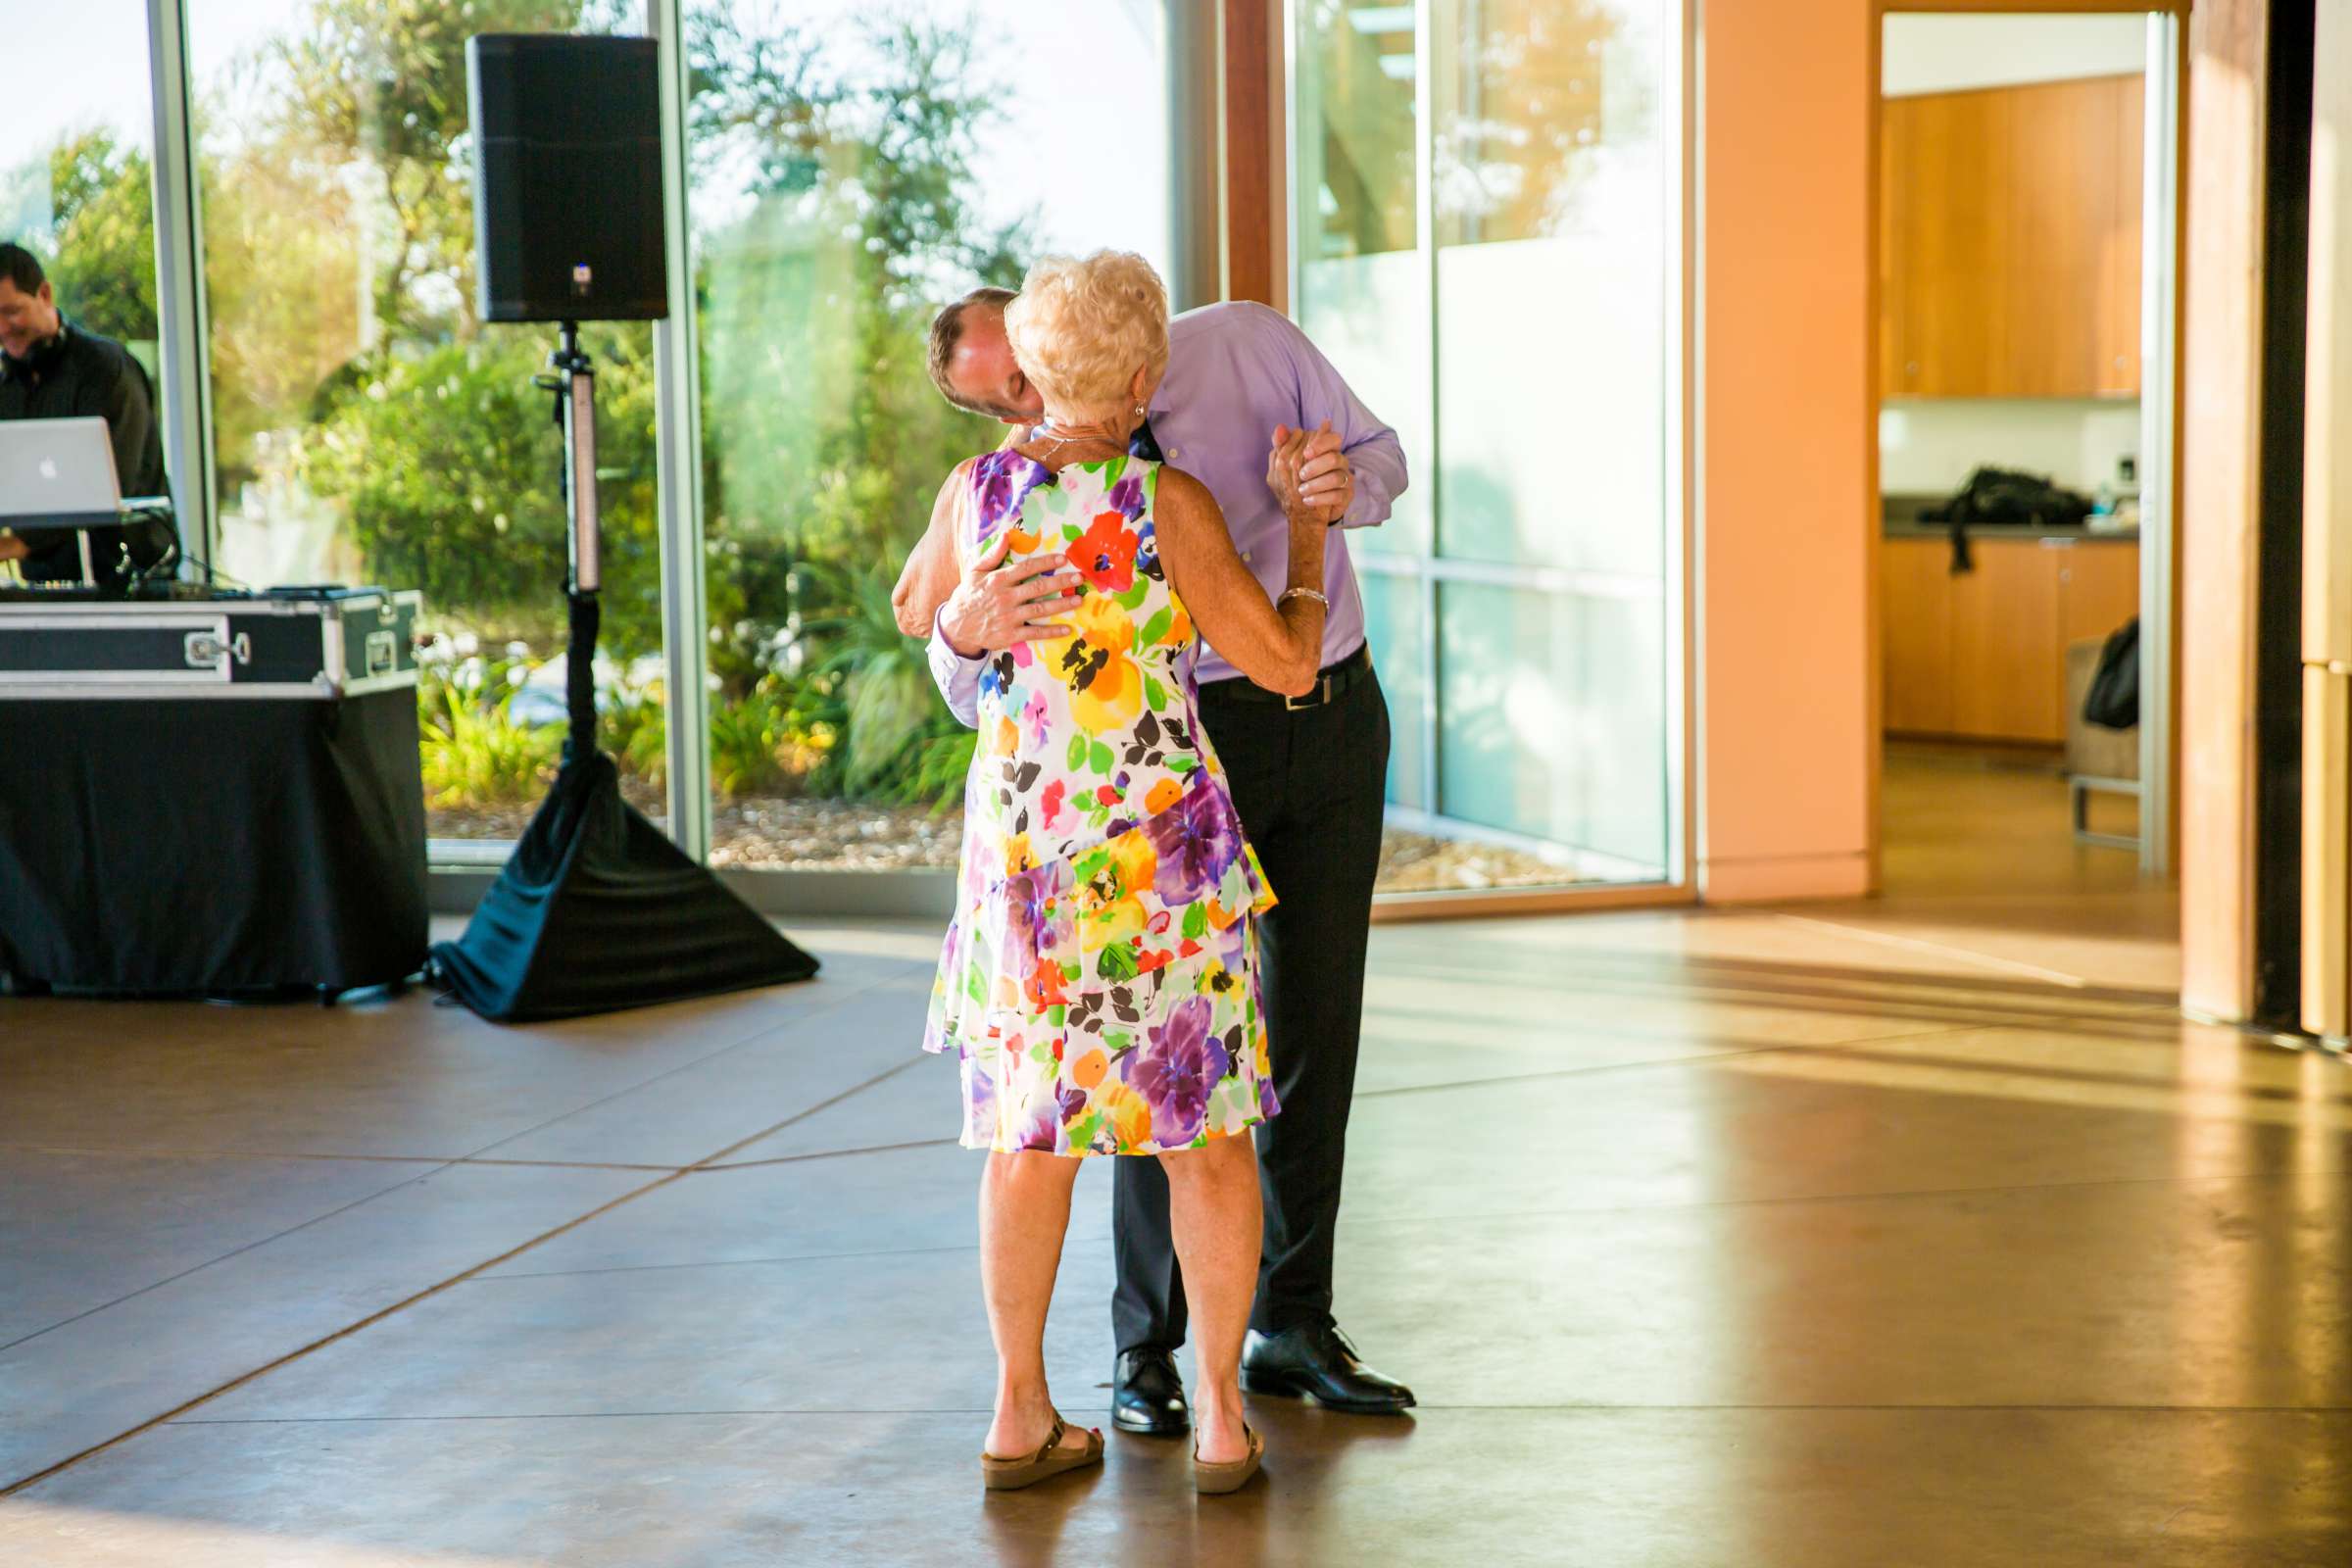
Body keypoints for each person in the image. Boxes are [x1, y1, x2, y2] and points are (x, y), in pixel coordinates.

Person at [897, 274, 1416, 1439]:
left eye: (1018, 388)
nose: (1016, 414)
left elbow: (904, 601)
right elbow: (1280, 652)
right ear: (1136, 378)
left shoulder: (979, 489)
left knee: (1048, 1131)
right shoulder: (1161, 498)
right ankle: (1184, 1382)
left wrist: (1338, 490)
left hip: (1037, 858)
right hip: (1157, 838)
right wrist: (961, 627)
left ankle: (1028, 1409)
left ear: (1044, 356)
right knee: (1195, 1117)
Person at [0, 242, 173, 586]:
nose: (3, 328)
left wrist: (17, 544)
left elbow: (105, 488)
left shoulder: (108, 370)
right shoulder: (6, 384)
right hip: (42, 585)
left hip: (129, 586)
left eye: (11, 311)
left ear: (45, 294)